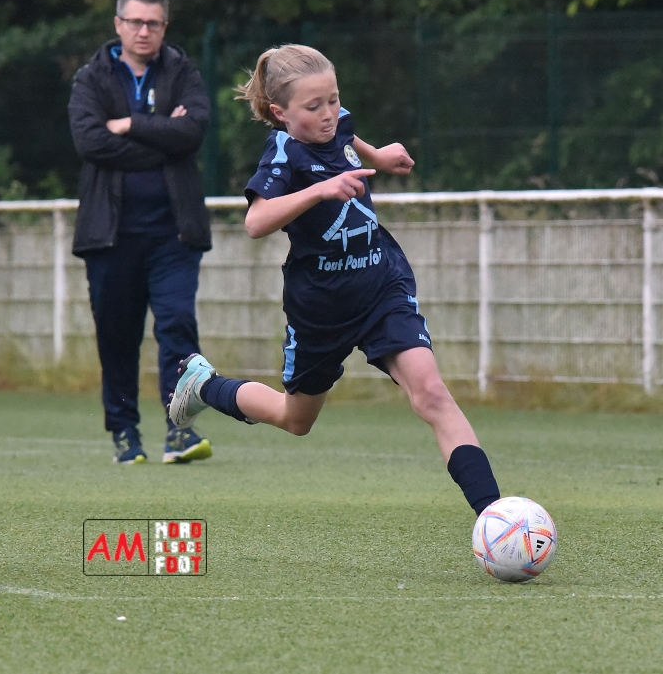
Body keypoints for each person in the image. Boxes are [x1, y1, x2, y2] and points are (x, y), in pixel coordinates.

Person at [169, 44, 501, 516]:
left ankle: (495, 517)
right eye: (313, 106)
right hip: (320, 308)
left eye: (333, 99)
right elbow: (256, 222)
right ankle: (205, 385)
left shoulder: (335, 120)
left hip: (381, 286)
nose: (328, 113)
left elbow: (346, 134)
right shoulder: (283, 151)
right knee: (295, 419)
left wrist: (378, 156)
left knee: (431, 392)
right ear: (281, 113)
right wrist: (320, 190)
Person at [68, 0, 214, 465]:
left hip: (175, 234)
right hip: (109, 236)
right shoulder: (91, 77)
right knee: (117, 336)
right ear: (118, 25)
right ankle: (124, 434)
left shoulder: (183, 71)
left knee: (178, 327)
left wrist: (130, 124)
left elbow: (193, 131)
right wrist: (162, 136)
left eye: (153, 23)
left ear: (164, 27)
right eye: (135, 22)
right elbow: (90, 142)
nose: (144, 31)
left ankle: (181, 431)